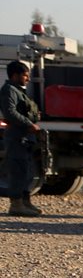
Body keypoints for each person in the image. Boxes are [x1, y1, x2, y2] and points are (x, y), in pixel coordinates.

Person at [1, 61, 42, 217]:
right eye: (25, 75)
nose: (28, 78)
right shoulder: (8, 90)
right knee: (18, 171)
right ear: (15, 75)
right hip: (17, 136)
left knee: (27, 171)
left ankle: (25, 202)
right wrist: (29, 123)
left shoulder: (19, 91)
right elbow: (10, 112)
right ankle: (16, 205)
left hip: (25, 138)